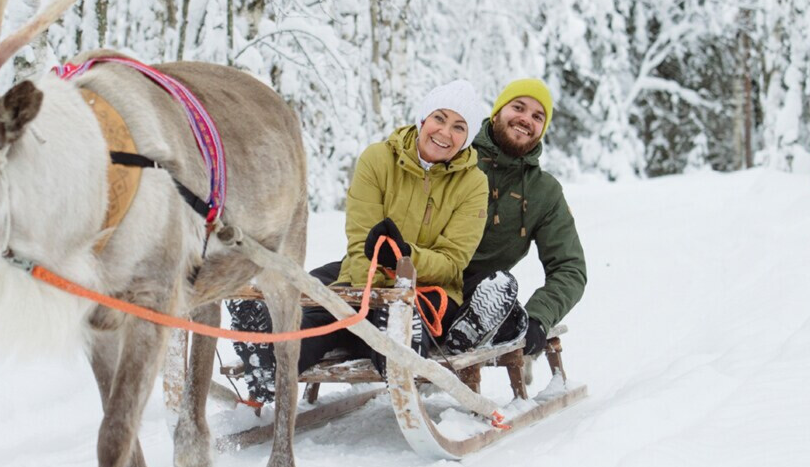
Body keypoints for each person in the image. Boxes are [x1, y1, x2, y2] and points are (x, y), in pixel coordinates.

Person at [229, 79, 492, 404]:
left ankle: (396, 338)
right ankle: (268, 357)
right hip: (361, 277)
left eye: (459, 127)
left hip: (425, 290)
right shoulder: (379, 159)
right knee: (324, 321)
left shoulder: (474, 183)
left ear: (467, 138)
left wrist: (405, 258)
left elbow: (453, 261)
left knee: (398, 330)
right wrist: (376, 290)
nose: (445, 132)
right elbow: (359, 240)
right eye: (439, 118)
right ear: (423, 118)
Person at [443, 77, 588, 361]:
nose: (526, 119)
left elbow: (570, 267)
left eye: (537, 116)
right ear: (497, 112)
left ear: (542, 130)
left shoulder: (543, 191)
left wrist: (538, 316)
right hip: (428, 278)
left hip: (483, 296)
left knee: (498, 287)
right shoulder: (455, 153)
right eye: (518, 107)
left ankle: (495, 323)